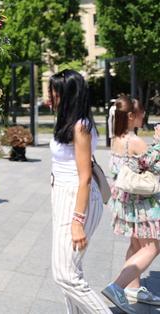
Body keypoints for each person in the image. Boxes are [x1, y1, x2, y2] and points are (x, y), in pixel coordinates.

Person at [49, 70, 110, 312]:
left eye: (55, 91)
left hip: (77, 199)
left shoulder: (81, 126)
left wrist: (77, 221)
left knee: (66, 276)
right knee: (70, 273)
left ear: (68, 94)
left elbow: (85, 177)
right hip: (63, 196)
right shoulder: (70, 122)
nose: (51, 95)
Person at [102, 95, 160, 311]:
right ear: (130, 116)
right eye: (141, 112)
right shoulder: (135, 141)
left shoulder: (117, 137)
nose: (144, 115)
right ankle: (118, 286)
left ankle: (133, 288)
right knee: (153, 247)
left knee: (136, 245)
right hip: (142, 204)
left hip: (126, 202)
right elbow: (154, 166)